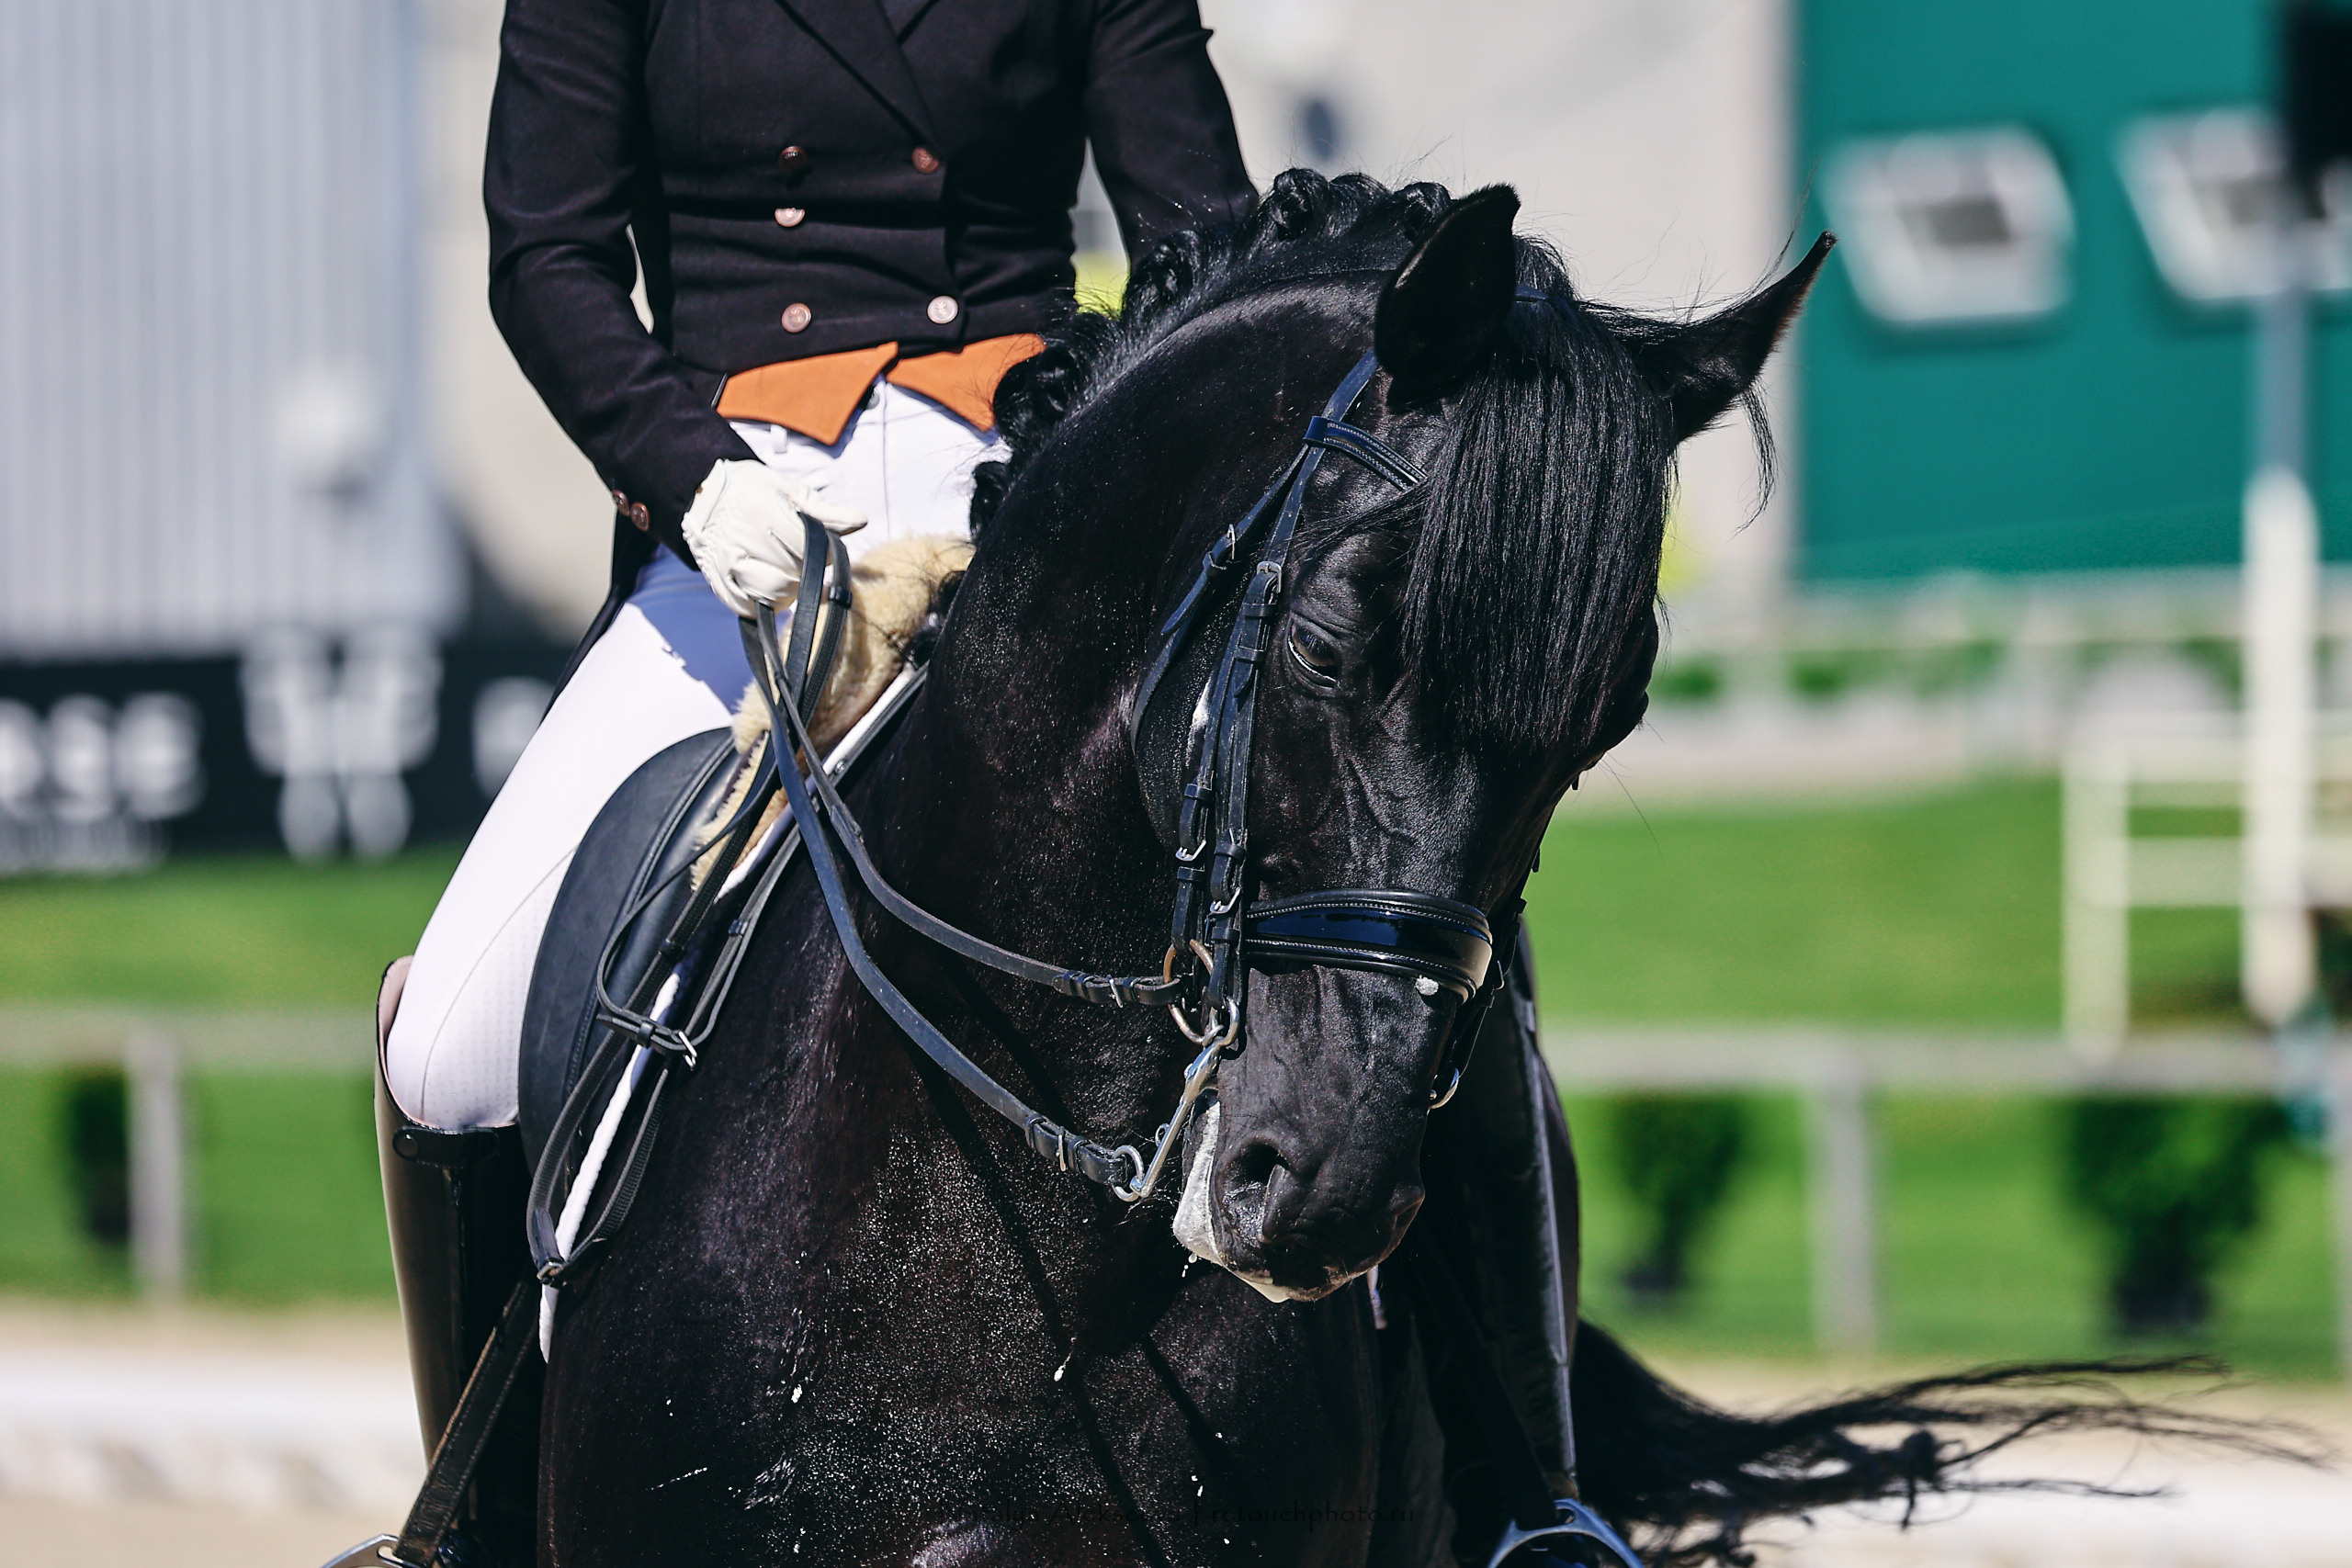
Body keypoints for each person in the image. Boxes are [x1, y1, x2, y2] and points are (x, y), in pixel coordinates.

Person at [370, 0, 1252, 1552]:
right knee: (445, 1041)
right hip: (756, 513)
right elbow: (549, 260)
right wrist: (684, 468)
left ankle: (1526, 1484)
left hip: (1044, 486)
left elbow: (1205, 239)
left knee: (1369, 915)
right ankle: (484, 1530)